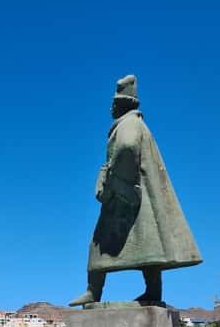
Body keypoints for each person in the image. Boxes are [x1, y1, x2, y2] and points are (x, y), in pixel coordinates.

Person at [70, 75, 202, 306]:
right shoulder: (137, 124)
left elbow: (127, 147)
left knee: (99, 243)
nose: (111, 107)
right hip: (139, 195)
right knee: (149, 244)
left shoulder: (129, 124)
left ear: (123, 104)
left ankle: (94, 291)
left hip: (124, 193)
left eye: (114, 102)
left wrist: (115, 181)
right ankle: (153, 292)